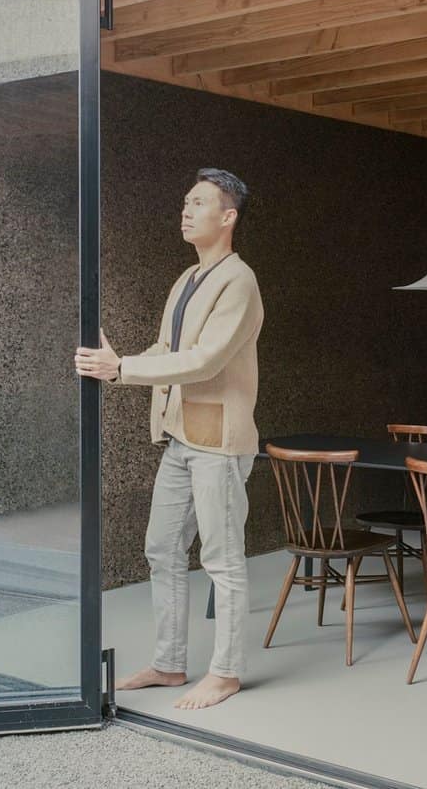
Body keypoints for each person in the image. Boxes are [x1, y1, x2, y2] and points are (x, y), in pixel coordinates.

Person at [74, 168, 263, 710]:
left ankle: (225, 673)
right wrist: (113, 364)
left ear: (227, 217)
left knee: (223, 559)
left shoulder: (239, 281)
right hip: (180, 438)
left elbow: (206, 361)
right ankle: (169, 662)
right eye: (185, 201)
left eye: (198, 202)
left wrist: (122, 369)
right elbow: (166, 348)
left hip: (220, 443)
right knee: (162, 549)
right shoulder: (187, 279)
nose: (185, 209)